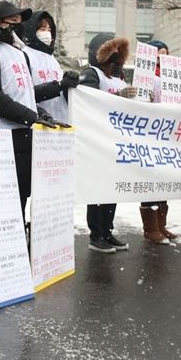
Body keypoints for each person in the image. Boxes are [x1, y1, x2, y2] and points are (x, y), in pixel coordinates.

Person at [0, 1, 60, 222]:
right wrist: (31, 116)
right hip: (1, 138)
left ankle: (22, 244)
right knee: (4, 205)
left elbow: (24, 93)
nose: (16, 27)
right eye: (11, 22)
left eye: (19, 22)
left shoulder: (19, 53)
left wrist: (40, 112)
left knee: (21, 198)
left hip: (24, 135)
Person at [78, 33, 135, 252]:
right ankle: (96, 235)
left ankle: (107, 231)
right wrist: (118, 97)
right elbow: (88, 101)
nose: (115, 57)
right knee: (97, 190)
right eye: (111, 52)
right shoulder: (92, 74)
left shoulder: (119, 77)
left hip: (115, 141)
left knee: (111, 190)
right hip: (96, 140)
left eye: (119, 53)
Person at [140, 40, 177, 244]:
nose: (163, 57)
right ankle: (151, 228)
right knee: (151, 182)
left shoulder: (171, 79)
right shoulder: (147, 78)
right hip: (152, 135)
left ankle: (161, 226)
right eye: (159, 54)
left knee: (163, 182)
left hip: (168, 136)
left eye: (166, 53)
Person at [18, 10, 79, 124]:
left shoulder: (52, 60)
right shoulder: (24, 56)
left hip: (59, 123)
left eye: (49, 30)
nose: (47, 33)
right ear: (32, 31)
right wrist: (59, 86)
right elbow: (26, 94)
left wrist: (69, 84)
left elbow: (62, 96)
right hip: (38, 122)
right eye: (42, 29)